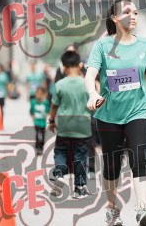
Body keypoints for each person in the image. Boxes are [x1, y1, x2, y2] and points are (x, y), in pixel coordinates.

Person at [86, 0, 146, 226]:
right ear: (115, 18)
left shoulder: (145, 45)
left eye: (136, 12)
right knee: (112, 165)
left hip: (139, 111)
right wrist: (92, 93)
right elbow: (91, 73)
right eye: (128, 12)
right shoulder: (102, 45)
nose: (133, 16)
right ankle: (112, 209)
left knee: (139, 157)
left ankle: (142, 210)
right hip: (109, 114)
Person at [48, 50, 92, 199]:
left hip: (64, 125)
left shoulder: (60, 84)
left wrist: (52, 121)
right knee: (80, 156)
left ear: (64, 67)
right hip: (83, 126)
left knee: (60, 152)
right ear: (80, 65)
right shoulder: (86, 83)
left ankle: (59, 174)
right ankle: (79, 188)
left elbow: (54, 106)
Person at [30, 86, 50, 155]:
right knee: (37, 135)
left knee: (43, 135)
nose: (39, 95)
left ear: (43, 94)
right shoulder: (33, 102)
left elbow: (48, 111)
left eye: (41, 93)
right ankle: (37, 148)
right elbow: (31, 111)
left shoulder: (46, 102)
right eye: (37, 93)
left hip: (43, 122)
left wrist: (46, 116)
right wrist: (33, 117)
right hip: (36, 122)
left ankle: (42, 148)